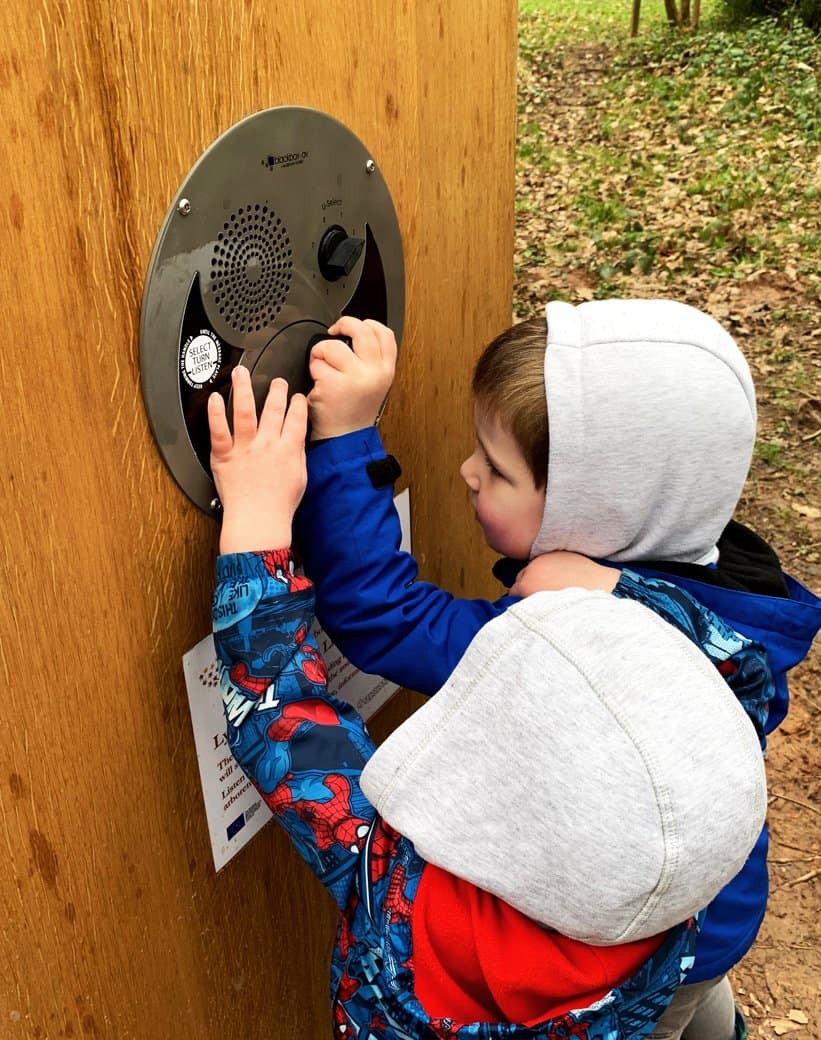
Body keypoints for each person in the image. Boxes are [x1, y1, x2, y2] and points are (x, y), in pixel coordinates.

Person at [296, 301, 821, 1040]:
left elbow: (386, 616)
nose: (466, 472)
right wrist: (619, 582)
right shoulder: (734, 594)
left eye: (498, 469)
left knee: (665, 1013)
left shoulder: (575, 651)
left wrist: (346, 436)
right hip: (716, 905)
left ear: (595, 514)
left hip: (634, 957)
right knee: (699, 1000)